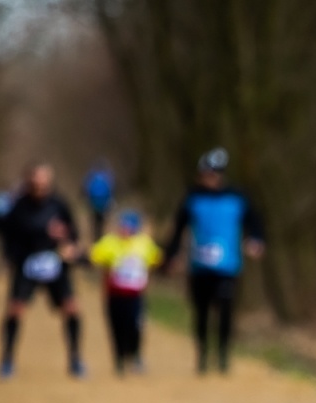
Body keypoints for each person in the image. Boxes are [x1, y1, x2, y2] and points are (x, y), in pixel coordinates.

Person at [162, 148, 264, 374]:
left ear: (220, 175)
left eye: (212, 175)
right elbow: (178, 229)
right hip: (199, 266)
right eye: (205, 175)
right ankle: (202, 355)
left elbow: (255, 221)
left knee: (225, 310)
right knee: (201, 312)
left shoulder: (237, 197)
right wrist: (171, 256)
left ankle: (223, 354)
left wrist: (256, 240)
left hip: (228, 266)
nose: (208, 179)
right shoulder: (192, 198)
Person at [0, 164, 84, 379]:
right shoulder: (19, 207)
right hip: (27, 265)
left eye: (44, 182)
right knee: (15, 310)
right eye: (36, 182)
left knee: (71, 308)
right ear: (29, 182)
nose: (40, 186)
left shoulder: (59, 205)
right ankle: (7, 359)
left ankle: (75, 359)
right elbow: (7, 236)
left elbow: (72, 233)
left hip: (55, 263)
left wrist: (70, 247)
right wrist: (11, 258)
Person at [88, 209, 163, 375]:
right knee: (117, 327)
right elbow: (93, 257)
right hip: (114, 295)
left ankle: (135, 355)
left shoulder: (144, 244)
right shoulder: (109, 243)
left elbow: (157, 259)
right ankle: (119, 359)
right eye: (123, 226)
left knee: (135, 326)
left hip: (136, 296)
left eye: (129, 227)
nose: (125, 231)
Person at [83, 162, 114, 241]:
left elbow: (85, 189)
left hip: (93, 205)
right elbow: (112, 190)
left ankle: (95, 239)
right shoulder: (107, 176)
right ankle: (102, 238)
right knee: (102, 223)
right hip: (104, 205)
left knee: (94, 224)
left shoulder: (91, 176)